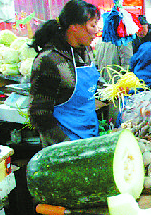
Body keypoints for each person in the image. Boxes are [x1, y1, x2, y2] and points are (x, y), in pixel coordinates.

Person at [29, 0, 100, 147]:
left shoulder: (86, 51)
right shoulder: (49, 60)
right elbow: (39, 114)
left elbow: (91, 85)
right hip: (64, 147)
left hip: (90, 136)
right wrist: (65, 145)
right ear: (74, 26)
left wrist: (113, 90)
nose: (96, 30)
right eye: (92, 25)